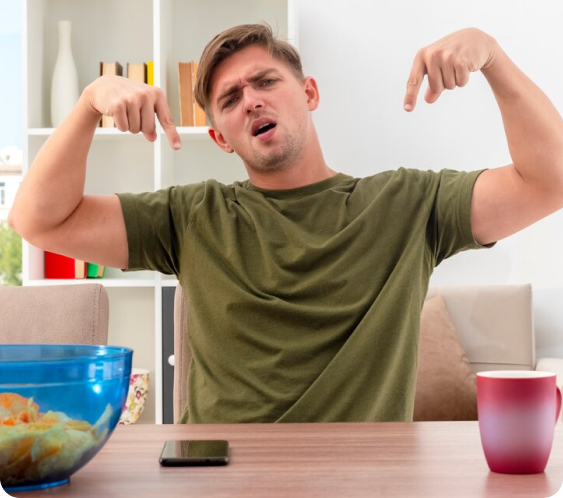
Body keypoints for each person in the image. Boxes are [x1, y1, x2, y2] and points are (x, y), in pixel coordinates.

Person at [9, 24, 563, 424]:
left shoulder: (407, 204)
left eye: (265, 81)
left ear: (309, 93)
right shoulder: (191, 215)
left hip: (362, 481)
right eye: (230, 99)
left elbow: (549, 181)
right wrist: (87, 106)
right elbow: (36, 219)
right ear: (222, 137)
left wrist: (492, 57)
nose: (250, 100)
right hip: (221, 481)